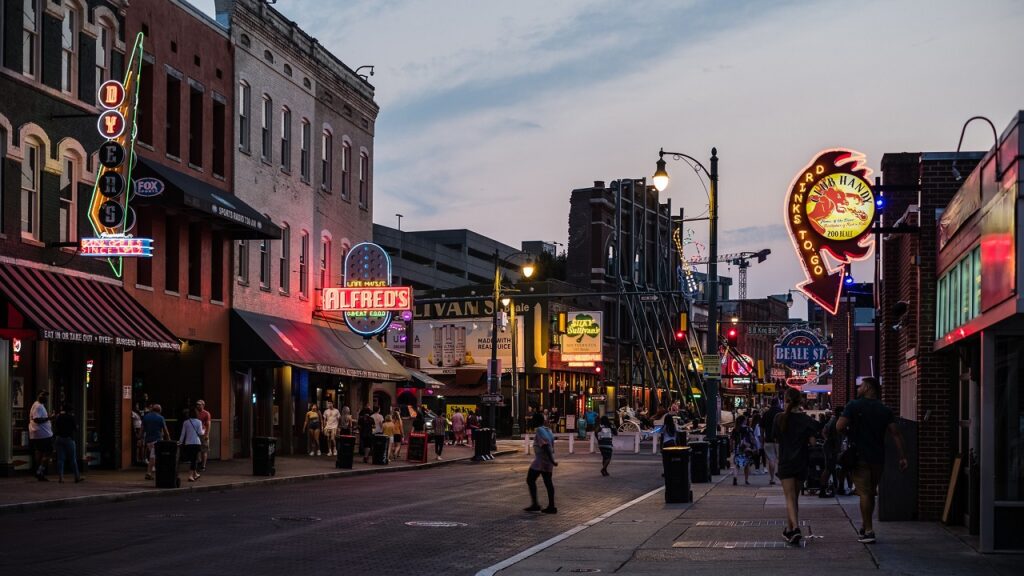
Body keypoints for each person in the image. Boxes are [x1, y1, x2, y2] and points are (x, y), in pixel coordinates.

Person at [836, 377, 908, 544]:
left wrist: (850, 430)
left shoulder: (853, 405)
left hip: (859, 456)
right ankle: (865, 524)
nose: (858, 388)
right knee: (871, 491)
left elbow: (839, 426)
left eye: (861, 386)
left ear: (868, 387)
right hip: (878, 457)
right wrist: (903, 456)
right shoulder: (885, 409)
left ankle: (868, 530)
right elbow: (896, 433)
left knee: (865, 493)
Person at [774, 387, 821, 546]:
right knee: (795, 497)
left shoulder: (779, 418)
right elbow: (813, 442)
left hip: (786, 461)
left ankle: (795, 529)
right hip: (801, 461)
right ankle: (789, 528)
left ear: (786, 399)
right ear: (800, 401)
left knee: (789, 497)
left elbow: (775, 439)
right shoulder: (807, 420)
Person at [524, 412, 557, 514]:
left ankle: (535, 504)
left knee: (530, 479)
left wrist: (552, 460)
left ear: (536, 421)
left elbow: (546, 445)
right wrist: (551, 460)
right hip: (547, 460)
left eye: (533, 420)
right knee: (548, 482)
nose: (532, 422)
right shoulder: (549, 430)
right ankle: (551, 506)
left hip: (541, 460)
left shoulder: (539, 430)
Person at [53, 403, 83, 484]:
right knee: (73, 459)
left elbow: (55, 426)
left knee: (60, 459)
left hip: (59, 438)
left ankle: (61, 478)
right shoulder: (71, 417)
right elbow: (75, 428)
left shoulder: (58, 417)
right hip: (68, 439)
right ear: (69, 411)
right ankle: (77, 477)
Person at [29, 390, 54, 481]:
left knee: (40, 452)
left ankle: (39, 471)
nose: (45, 397)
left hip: (41, 434)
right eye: (43, 395)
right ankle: (39, 471)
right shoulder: (38, 406)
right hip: (43, 434)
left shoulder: (38, 405)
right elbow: (36, 419)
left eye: (46, 396)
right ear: (39, 396)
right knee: (48, 452)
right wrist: (49, 418)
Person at [142, 403, 170, 480]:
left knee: (154, 455)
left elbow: (142, 429)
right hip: (157, 440)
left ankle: (156, 471)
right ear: (159, 410)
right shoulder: (160, 418)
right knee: (153, 456)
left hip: (148, 440)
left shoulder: (145, 417)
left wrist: (140, 438)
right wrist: (169, 440)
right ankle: (149, 473)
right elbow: (166, 431)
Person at [179, 407, 205, 482]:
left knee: (192, 459)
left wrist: (180, 442)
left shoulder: (186, 422)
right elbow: (200, 433)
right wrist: (204, 429)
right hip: (196, 443)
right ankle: (190, 476)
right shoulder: (199, 422)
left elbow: (183, 434)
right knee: (194, 460)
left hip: (188, 443)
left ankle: (195, 474)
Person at [762, 397, 783, 485]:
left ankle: (772, 478)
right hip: (780, 440)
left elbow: (761, 428)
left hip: (768, 439)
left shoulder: (766, 413)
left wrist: (761, 439)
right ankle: (782, 478)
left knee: (771, 459)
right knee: (781, 459)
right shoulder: (782, 412)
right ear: (778, 403)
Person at [731, 415, 756, 486]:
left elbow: (732, 440)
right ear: (744, 421)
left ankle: (735, 477)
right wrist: (754, 446)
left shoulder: (735, 429)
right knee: (747, 464)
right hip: (747, 448)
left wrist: (732, 448)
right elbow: (752, 439)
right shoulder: (748, 429)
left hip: (737, 448)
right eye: (746, 420)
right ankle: (746, 480)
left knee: (736, 464)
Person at [195, 400, 212, 472]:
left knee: (204, 450)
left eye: (199, 404)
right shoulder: (195, 413)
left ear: (203, 405)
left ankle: (203, 466)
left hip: (203, 433)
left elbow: (208, 425)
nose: (198, 406)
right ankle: (199, 462)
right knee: (197, 450)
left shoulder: (206, 413)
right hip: (196, 434)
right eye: (197, 404)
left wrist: (207, 434)